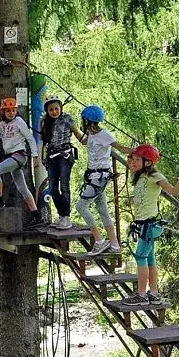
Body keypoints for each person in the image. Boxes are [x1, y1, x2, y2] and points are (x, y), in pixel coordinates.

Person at [121, 144, 179, 306]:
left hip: (150, 225)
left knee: (140, 256)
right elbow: (129, 160)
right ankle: (154, 293)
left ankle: (142, 295)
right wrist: (133, 154)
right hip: (145, 224)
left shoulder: (155, 176)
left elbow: (174, 192)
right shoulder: (138, 175)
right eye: (134, 160)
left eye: (138, 160)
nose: (134, 162)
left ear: (148, 162)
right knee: (150, 259)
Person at [74, 105, 131, 253]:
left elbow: (121, 148)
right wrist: (73, 128)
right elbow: (84, 141)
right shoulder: (91, 134)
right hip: (94, 175)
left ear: (86, 120)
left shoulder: (104, 134)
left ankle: (99, 240)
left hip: (100, 176)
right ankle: (115, 245)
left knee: (81, 206)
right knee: (102, 210)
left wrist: (139, 150)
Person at [0, 98, 44, 225]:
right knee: (22, 188)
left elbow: (30, 139)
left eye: (13, 110)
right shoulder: (1, 125)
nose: (11, 113)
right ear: (3, 112)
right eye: (8, 111)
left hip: (19, 155)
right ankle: (37, 215)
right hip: (10, 157)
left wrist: (35, 156)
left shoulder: (19, 121)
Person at [38, 95, 83, 228]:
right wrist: (42, 158)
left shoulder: (66, 118)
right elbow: (43, 142)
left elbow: (78, 134)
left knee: (64, 185)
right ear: (47, 110)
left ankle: (66, 217)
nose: (54, 112)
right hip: (51, 156)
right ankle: (62, 214)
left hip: (64, 155)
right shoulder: (43, 121)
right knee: (52, 188)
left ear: (60, 108)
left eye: (56, 109)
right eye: (51, 110)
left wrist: (91, 139)